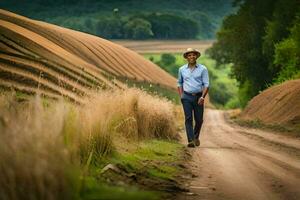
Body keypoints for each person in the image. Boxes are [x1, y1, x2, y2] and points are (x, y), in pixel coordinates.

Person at [177, 48, 209, 148]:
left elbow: (206, 85)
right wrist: (181, 95)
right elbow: (179, 83)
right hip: (186, 97)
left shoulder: (203, 69)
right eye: (189, 55)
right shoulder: (181, 69)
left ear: (196, 56)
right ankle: (191, 140)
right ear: (186, 57)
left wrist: (203, 97)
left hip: (199, 97)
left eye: (193, 55)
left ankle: (195, 137)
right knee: (188, 118)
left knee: (199, 120)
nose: (192, 57)